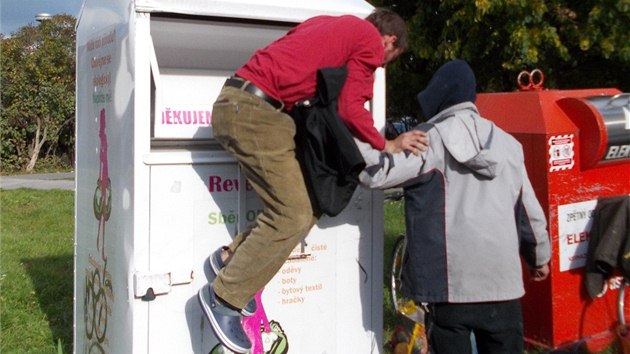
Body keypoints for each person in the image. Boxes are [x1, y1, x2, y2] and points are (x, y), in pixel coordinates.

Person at [198, 8, 429, 353]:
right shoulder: (367, 39)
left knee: (307, 207)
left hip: (245, 104)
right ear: (390, 40)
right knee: (291, 215)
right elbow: (351, 107)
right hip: (255, 113)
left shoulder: (329, 23)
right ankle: (223, 298)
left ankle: (233, 257)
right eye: (388, 60)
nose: (381, 67)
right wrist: (388, 144)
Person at [357, 59, 551, 353]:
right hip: (503, 285)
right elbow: (529, 212)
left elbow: (375, 175)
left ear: (438, 97)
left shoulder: (427, 140)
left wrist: (350, 126)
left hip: (449, 288)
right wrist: (539, 258)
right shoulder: (508, 145)